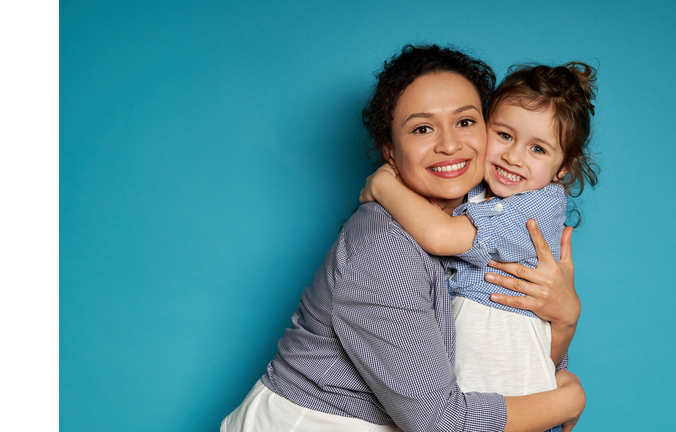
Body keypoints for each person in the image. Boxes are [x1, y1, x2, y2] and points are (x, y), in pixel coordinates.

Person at [221, 44, 585, 432]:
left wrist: (565, 319)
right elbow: (440, 422)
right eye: (422, 128)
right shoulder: (385, 248)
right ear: (390, 152)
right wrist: (566, 401)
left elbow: (512, 349)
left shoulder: (478, 221)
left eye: (464, 122)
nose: (449, 144)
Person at [360, 62, 600, 431]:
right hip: (479, 336)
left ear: (563, 168)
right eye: (504, 135)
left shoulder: (534, 207)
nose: (513, 157)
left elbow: (440, 237)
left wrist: (383, 186)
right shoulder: (481, 192)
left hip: (499, 340)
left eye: (537, 149)